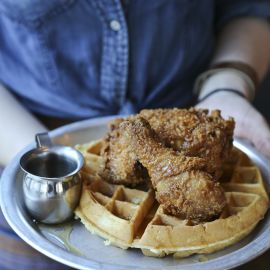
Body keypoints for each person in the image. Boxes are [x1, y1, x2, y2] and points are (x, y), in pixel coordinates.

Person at [0, 0, 270, 269]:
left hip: (199, 105)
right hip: (30, 143)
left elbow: (248, 8)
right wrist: (42, 160)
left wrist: (227, 87)